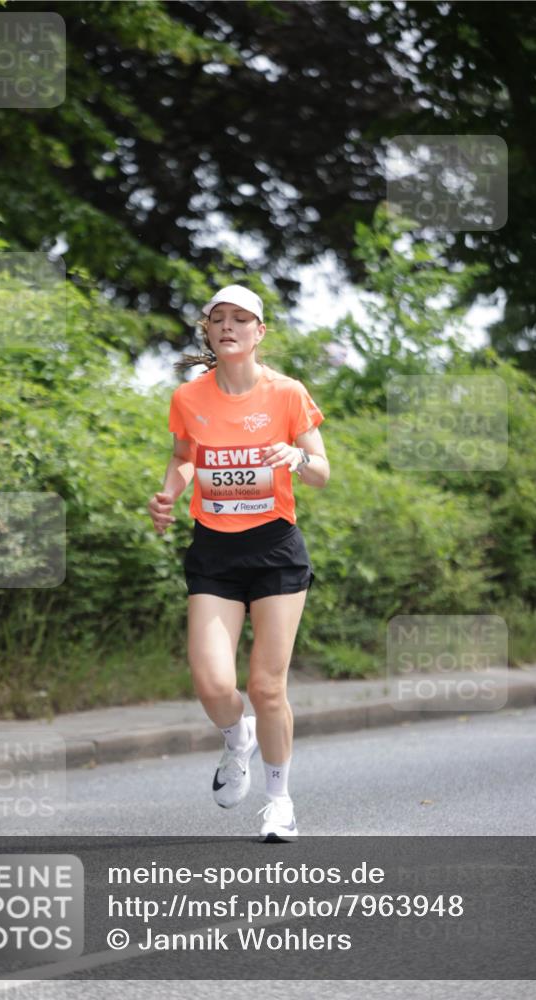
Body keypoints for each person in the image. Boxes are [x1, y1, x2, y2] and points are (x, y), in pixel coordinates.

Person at [147, 284, 330, 842]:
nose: (228, 326)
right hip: (214, 552)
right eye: (219, 318)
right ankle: (236, 738)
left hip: (275, 551)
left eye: (241, 318)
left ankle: (279, 803)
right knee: (211, 684)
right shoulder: (189, 398)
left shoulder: (287, 393)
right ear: (207, 330)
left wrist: (297, 456)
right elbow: (183, 458)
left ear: (259, 331)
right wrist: (169, 492)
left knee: (267, 686)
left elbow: (321, 471)